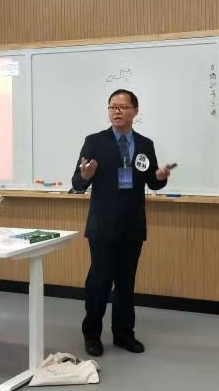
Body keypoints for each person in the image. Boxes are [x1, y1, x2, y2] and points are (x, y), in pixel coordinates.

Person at [71, 89, 172, 357]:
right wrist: (85, 175)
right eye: (112, 107)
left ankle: (124, 334)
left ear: (135, 111)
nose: (116, 111)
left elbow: (152, 182)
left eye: (123, 107)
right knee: (99, 283)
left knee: (126, 284)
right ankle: (92, 334)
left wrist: (161, 177)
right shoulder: (94, 142)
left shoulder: (145, 144)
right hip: (103, 226)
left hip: (132, 226)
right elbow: (77, 183)